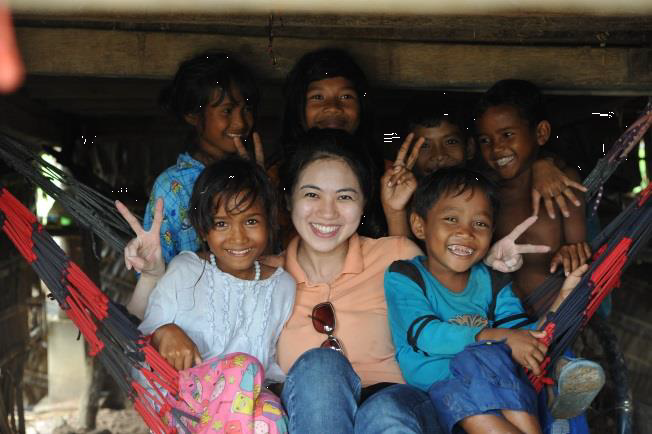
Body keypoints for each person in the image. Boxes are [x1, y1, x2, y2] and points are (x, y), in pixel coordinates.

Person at [385, 167, 589, 434]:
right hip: (439, 391)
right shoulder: (405, 275)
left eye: (479, 224)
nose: (466, 232)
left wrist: (562, 299)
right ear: (419, 226)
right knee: (483, 355)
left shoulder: (493, 280)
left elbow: (522, 337)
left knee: (494, 357)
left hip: (496, 385)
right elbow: (426, 335)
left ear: (492, 231)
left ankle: (550, 390)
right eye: (451, 219)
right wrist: (494, 336)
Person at [122, 155, 295, 433]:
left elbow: (276, 367)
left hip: (243, 411)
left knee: (271, 415)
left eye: (251, 221)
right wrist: (164, 332)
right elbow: (140, 347)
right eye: (222, 224)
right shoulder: (185, 270)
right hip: (180, 405)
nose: (238, 238)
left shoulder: (283, 286)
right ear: (203, 229)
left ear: (270, 223)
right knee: (243, 366)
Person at [473, 79, 604, 424]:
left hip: (555, 327)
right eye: (485, 140)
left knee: (560, 397)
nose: (496, 147)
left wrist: (573, 254)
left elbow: (577, 249)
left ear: (540, 133)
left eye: (507, 135)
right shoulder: (481, 193)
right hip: (501, 334)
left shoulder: (562, 183)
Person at [381, 99, 587, 239]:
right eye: (424, 146)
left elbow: (520, 167)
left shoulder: (487, 187)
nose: (439, 154)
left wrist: (542, 163)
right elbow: (400, 264)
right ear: (408, 154)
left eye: (450, 141)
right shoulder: (406, 199)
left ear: (470, 148)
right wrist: (395, 211)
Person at [143, 50, 265, 266]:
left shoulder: (258, 174)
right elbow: (153, 270)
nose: (241, 123)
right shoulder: (173, 187)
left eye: (247, 109)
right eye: (227, 111)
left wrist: (259, 184)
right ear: (193, 115)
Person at [277, 48, 387, 238]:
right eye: (317, 97)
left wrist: (396, 211)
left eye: (346, 97)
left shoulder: (388, 175)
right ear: (299, 109)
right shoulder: (275, 175)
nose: (333, 107)